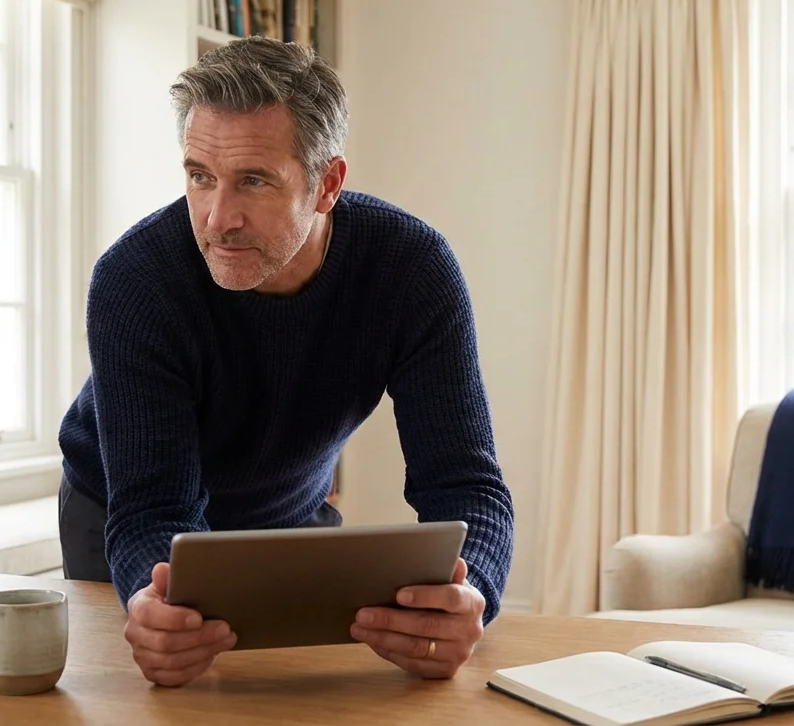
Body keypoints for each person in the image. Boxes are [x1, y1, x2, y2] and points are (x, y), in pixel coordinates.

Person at [56, 35, 515, 687]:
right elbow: (155, 507)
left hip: (289, 512)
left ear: (327, 184)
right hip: (120, 509)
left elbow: (467, 484)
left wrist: (474, 597)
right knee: (153, 698)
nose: (218, 218)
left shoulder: (412, 271)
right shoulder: (135, 282)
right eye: (199, 176)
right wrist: (153, 605)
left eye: (253, 181)